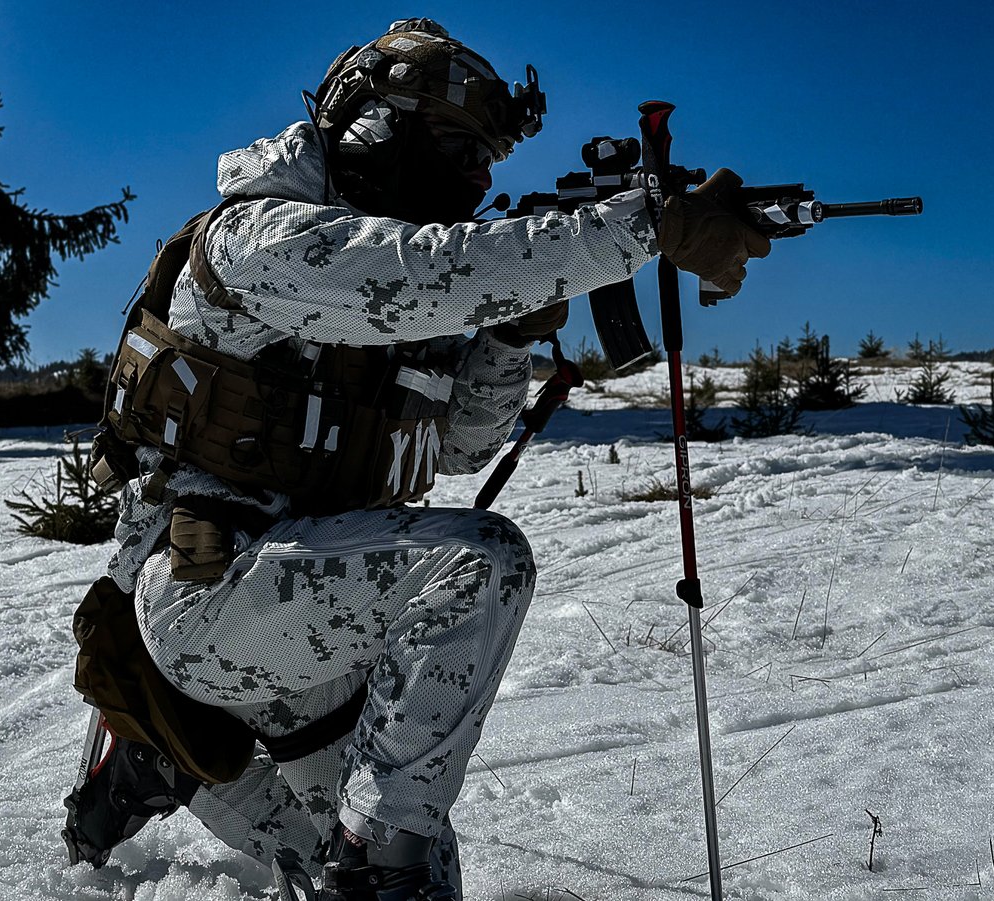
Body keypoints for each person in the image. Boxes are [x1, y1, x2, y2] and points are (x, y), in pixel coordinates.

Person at [69, 17, 769, 901]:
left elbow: (460, 443)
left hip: (313, 622)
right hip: (206, 601)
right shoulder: (258, 239)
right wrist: (639, 227)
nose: (478, 178)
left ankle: (165, 763)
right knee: (479, 568)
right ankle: (336, 835)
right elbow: (417, 274)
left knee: (378, 872)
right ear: (373, 128)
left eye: (485, 158)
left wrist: (512, 335)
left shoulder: (409, 278)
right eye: (458, 147)